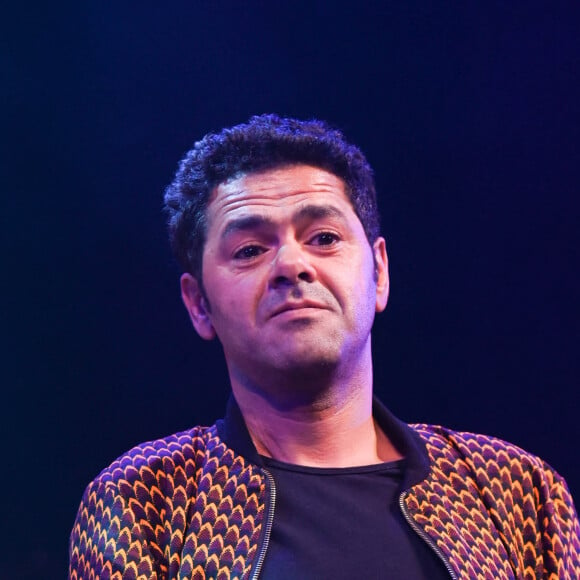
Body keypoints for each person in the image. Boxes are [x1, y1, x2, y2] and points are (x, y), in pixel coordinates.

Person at [69, 114, 580, 579]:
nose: (292, 264)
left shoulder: (515, 490)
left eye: (324, 238)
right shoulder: (145, 499)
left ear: (379, 273)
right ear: (198, 303)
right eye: (250, 250)